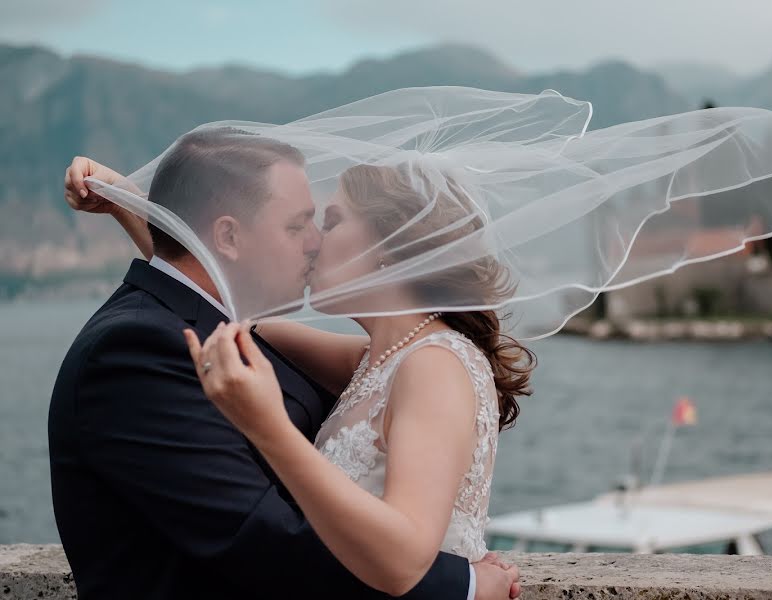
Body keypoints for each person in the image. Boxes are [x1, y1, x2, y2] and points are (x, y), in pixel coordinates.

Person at [54, 129, 521, 600]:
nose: (315, 241)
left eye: (329, 222)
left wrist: (268, 426)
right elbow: (210, 309)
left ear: (387, 246)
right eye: (300, 226)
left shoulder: (429, 363)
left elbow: (205, 302)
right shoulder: (377, 361)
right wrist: (140, 210)